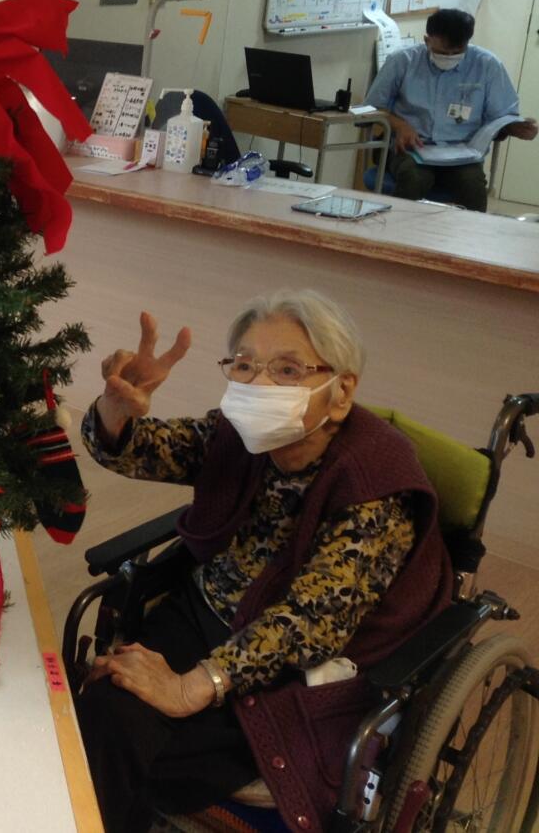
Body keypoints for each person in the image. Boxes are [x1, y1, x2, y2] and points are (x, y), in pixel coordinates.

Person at [76, 292, 451, 832]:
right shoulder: (236, 435)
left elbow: (312, 620)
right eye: (245, 366)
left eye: (288, 370)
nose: (259, 385)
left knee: (137, 748)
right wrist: (116, 411)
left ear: (342, 391)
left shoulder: (374, 481)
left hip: (293, 666)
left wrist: (190, 687)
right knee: (109, 710)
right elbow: (143, 448)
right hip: (206, 613)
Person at [366, 8, 536, 211]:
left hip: (462, 153)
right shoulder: (403, 61)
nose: (449, 57)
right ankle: (396, 229)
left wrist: (516, 127)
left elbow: (502, 115)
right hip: (412, 149)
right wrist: (400, 125)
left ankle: (469, 232)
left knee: (472, 185)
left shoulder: (487, 65)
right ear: (427, 40)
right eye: (442, 52)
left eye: (457, 53)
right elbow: (371, 108)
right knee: (414, 179)